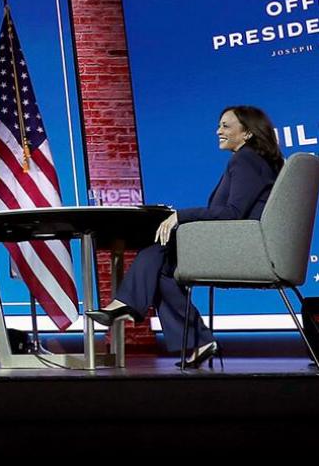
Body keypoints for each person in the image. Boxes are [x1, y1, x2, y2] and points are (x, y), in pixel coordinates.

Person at [86, 105, 284, 367]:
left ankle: (126, 304)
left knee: (159, 249)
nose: (218, 131)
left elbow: (231, 213)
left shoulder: (245, 159)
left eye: (226, 126)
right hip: (243, 244)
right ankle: (198, 340)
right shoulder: (257, 161)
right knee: (163, 269)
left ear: (247, 133)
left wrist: (180, 216)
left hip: (243, 249)